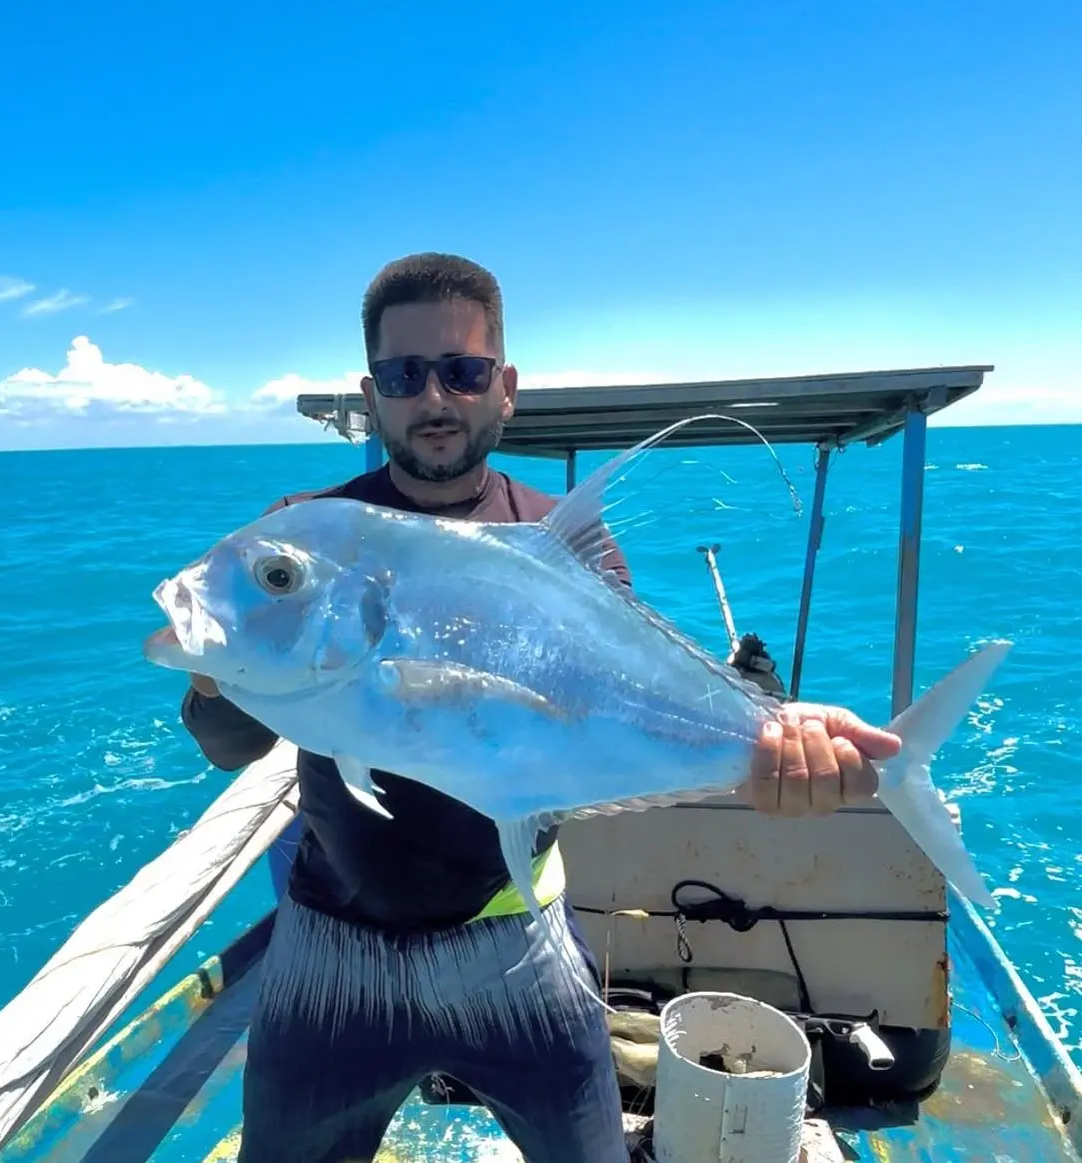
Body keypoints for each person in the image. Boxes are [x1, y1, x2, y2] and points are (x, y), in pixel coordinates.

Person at [177, 252, 902, 1163]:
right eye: (405, 375)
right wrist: (218, 669)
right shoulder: (311, 532)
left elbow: (624, 716)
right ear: (373, 393)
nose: (434, 396)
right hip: (334, 937)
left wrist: (767, 743)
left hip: (515, 932)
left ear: (504, 387)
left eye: (463, 371)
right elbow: (222, 743)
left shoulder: (563, 542)